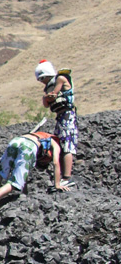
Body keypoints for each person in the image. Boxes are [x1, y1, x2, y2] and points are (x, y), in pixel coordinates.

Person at [0, 131, 69, 216]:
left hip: (16, 140)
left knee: (2, 170)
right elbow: (56, 162)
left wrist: (25, 192)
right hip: (28, 146)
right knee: (15, 183)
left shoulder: (39, 136)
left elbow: (24, 173)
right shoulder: (56, 144)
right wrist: (57, 184)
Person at [35, 59, 78, 188]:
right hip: (60, 117)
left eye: (42, 78)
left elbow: (53, 96)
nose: (41, 82)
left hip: (68, 116)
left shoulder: (60, 79)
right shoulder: (49, 86)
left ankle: (67, 177)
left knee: (67, 146)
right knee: (59, 144)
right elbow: (46, 103)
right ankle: (61, 177)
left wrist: (47, 97)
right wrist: (46, 97)